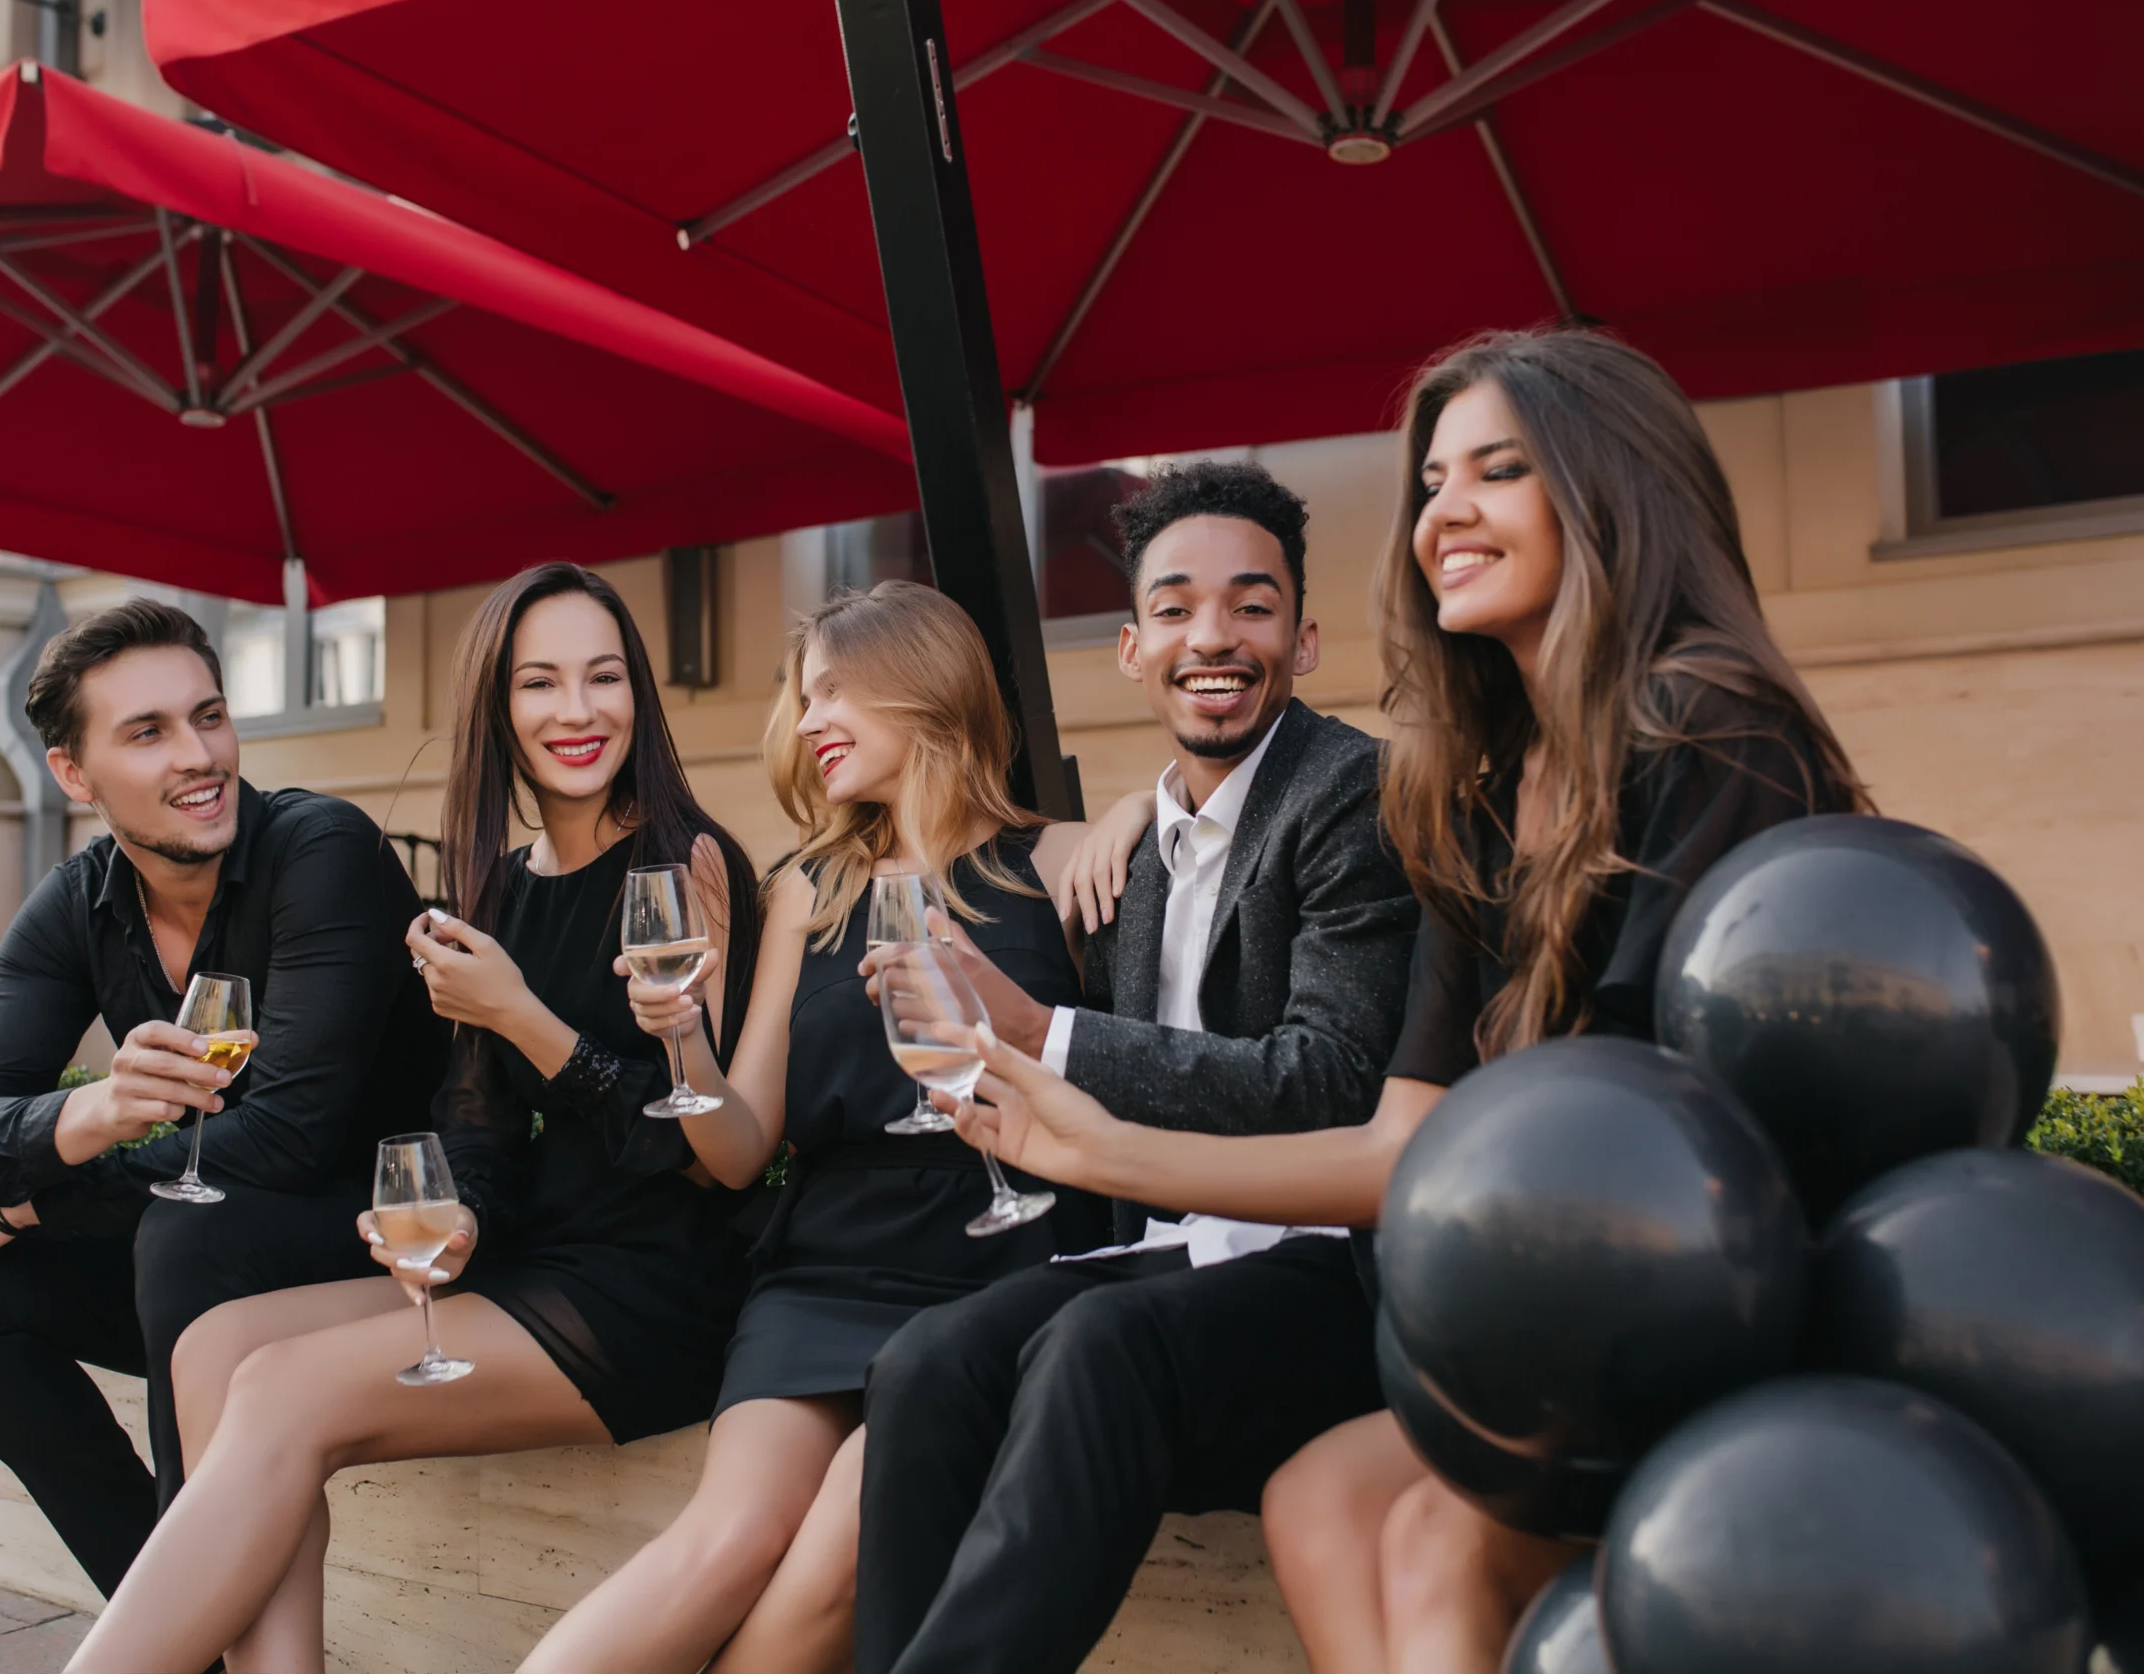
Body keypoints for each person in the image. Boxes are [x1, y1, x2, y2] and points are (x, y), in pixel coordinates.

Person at [919, 329, 1869, 1674]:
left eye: (1498, 469)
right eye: (1432, 480)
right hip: (1520, 1291)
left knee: (1425, 1535)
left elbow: (1671, 1122)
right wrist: (1083, 1139)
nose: (1445, 514)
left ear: (1610, 489)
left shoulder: (1710, 733)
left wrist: (1082, 1117)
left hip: (1702, 1290)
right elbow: (1403, 1137)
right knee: (1320, 1499)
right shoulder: (1473, 793)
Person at [62, 564, 763, 1672]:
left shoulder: (692, 869)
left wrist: (525, 1015)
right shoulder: (494, 885)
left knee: (286, 1393)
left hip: (650, 1288)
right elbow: (476, 1125)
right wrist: (460, 1221)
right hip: (527, 1261)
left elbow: (698, 1148)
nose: (577, 712)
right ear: (499, 706)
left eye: (604, 677)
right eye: (541, 684)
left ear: (640, 693)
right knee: (218, 1345)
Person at [845, 461, 1421, 1674]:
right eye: (1174, 608)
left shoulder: (1351, 794)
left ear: (1303, 640)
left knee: (1093, 1346)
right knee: (925, 1364)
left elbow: (1328, 1080)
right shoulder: (1140, 848)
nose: (1212, 637)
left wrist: (1041, 1035)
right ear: (1129, 646)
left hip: (1326, 1271)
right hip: (1178, 1253)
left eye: (1251, 606)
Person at [505, 580, 1104, 1674]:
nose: (808, 723)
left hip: (993, 1271)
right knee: (728, 1541)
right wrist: (683, 1038)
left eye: (832, 694)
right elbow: (738, 1150)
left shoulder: (1064, 864)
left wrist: (1140, 812)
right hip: (823, 1273)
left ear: (921, 688)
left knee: (831, 1565)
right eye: (802, 698)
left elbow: (1131, 1075)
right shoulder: (809, 892)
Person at [0, 598, 447, 1599]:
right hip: (207, 1266)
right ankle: (175, 1620)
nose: (199, 755)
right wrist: (87, 1114)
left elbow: (289, 1144)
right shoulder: (77, 905)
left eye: (207, 717)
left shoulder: (322, 851)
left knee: (187, 1237)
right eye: (148, 732)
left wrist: (28, 1205)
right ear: (74, 775)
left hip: (384, 1246)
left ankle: (178, 1618)